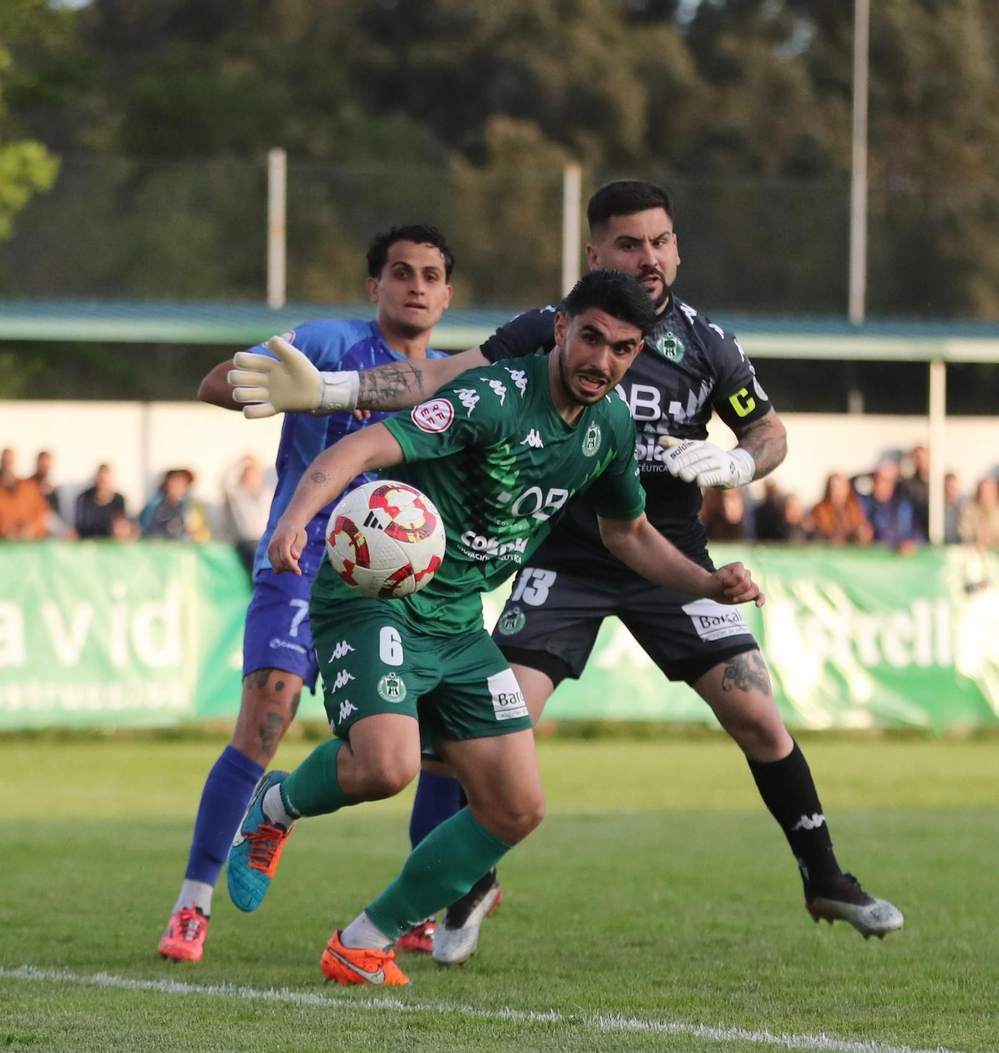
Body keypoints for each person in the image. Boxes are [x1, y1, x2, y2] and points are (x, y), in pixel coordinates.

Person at [230, 181, 902, 958]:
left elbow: (708, 479)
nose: (645, 259)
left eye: (659, 243)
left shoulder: (686, 359)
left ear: (674, 253)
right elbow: (417, 399)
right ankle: (349, 842)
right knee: (412, 760)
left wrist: (733, 477)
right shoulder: (518, 363)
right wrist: (328, 414)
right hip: (486, 578)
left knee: (679, 742)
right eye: (628, 244)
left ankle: (822, 876)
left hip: (626, 565)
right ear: (581, 285)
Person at [227, 269, 764, 987]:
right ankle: (273, 807)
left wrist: (707, 582)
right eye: (591, 337)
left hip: (456, 621)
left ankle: (364, 939)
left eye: (622, 348)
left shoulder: (609, 427)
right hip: (377, 599)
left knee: (516, 807)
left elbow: (629, 532)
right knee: (389, 766)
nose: (601, 359)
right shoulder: (492, 398)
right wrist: (295, 518)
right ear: (561, 329)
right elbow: (360, 450)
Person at [156, 224, 456, 964]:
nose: (415, 285)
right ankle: (193, 904)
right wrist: (277, 387)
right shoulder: (327, 342)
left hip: (401, 583)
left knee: (443, 741)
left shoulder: (456, 378)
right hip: (304, 554)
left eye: (430, 275)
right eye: (400, 273)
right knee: (268, 711)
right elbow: (217, 380)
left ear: (447, 294)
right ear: (373, 287)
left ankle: (423, 905)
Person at [0, 449, 49, 540]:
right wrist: (1, 530)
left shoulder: (28, 489)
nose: (8, 467)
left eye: (10, 463)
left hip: (27, 544)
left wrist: (30, 529)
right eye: (5, 462)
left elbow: (41, 515)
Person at [859, 459, 920, 552]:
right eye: (876, 480)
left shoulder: (903, 507)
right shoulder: (865, 503)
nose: (878, 485)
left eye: (884, 481)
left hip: (896, 558)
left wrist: (910, 543)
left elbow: (917, 532)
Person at [224, 454, 270, 570]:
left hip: (266, 539)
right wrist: (240, 462)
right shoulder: (238, 494)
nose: (252, 476)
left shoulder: (268, 493)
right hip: (247, 540)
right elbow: (225, 480)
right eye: (249, 473)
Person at [140, 469, 210, 541]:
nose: (177, 487)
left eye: (182, 484)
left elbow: (203, 532)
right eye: (174, 484)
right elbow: (147, 531)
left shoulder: (191, 507)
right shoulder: (154, 506)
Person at [809, 473, 872, 545]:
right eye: (834, 488)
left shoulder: (853, 507)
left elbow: (859, 525)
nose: (836, 492)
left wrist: (862, 534)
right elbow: (824, 530)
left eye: (840, 488)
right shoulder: (820, 509)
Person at [74, 464, 131, 540]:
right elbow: (79, 527)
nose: (103, 485)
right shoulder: (84, 498)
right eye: (101, 480)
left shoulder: (119, 500)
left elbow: (122, 524)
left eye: (106, 481)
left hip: (112, 543)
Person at [957, 477, 999, 552]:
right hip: (972, 551)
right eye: (982, 491)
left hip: (996, 553)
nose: (984, 494)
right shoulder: (968, 510)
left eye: (988, 491)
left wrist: (992, 541)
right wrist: (977, 538)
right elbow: (964, 532)